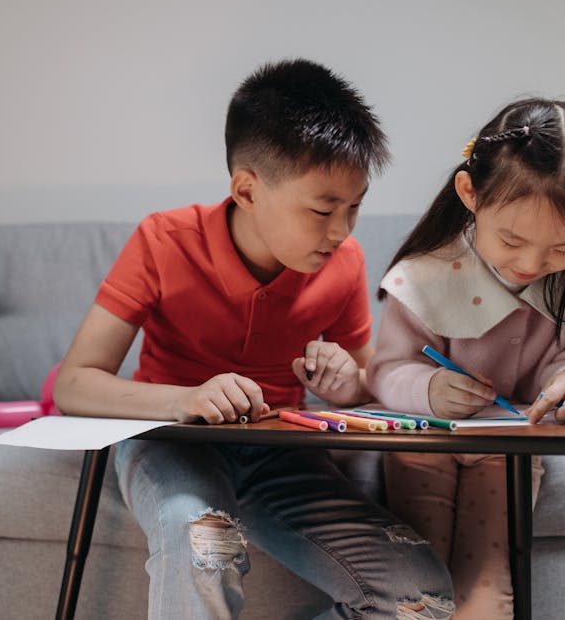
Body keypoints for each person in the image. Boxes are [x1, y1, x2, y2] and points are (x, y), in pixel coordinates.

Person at [54, 59, 454, 619]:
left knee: (422, 599)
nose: (341, 231)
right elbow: (73, 383)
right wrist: (184, 399)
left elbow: (370, 387)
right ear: (246, 189)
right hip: (171, 444)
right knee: (204, 545)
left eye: (355, 206)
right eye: (322, 209)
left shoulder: (343, 263)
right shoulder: (163, 241)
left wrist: (345, 386)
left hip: (281, 453)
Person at [365, 98, 565, 620]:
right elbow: (387, 370)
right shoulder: (430, 271)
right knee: (414, 583)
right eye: (511, 239)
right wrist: (429, 389)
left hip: (510, 446)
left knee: (488, 582)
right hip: (424, 442)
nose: (533, 263)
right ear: (470, 193)